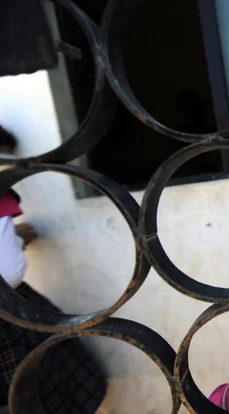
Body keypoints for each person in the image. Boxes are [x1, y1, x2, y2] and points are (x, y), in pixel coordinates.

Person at [0, 125, 107, 412]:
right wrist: (17, 238)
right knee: (42, 394)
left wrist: (15, 235)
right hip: (7, 319)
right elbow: (8, 270)